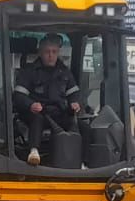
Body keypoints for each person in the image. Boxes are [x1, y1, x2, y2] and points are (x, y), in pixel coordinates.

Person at [12, 33, 83, 166]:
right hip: (37, 112)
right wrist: (31, 104)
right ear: (40, 53)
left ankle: (83, 159)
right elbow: (18, 96)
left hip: (58, 113)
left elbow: (74, 93)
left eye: (54, 52)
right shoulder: (30, 72)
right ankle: (34, 152)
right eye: (47, 52)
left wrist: (74, 103)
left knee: (79, 124)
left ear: (58, 53)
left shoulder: (65, 72)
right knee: (37, 119)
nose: (51, 55)